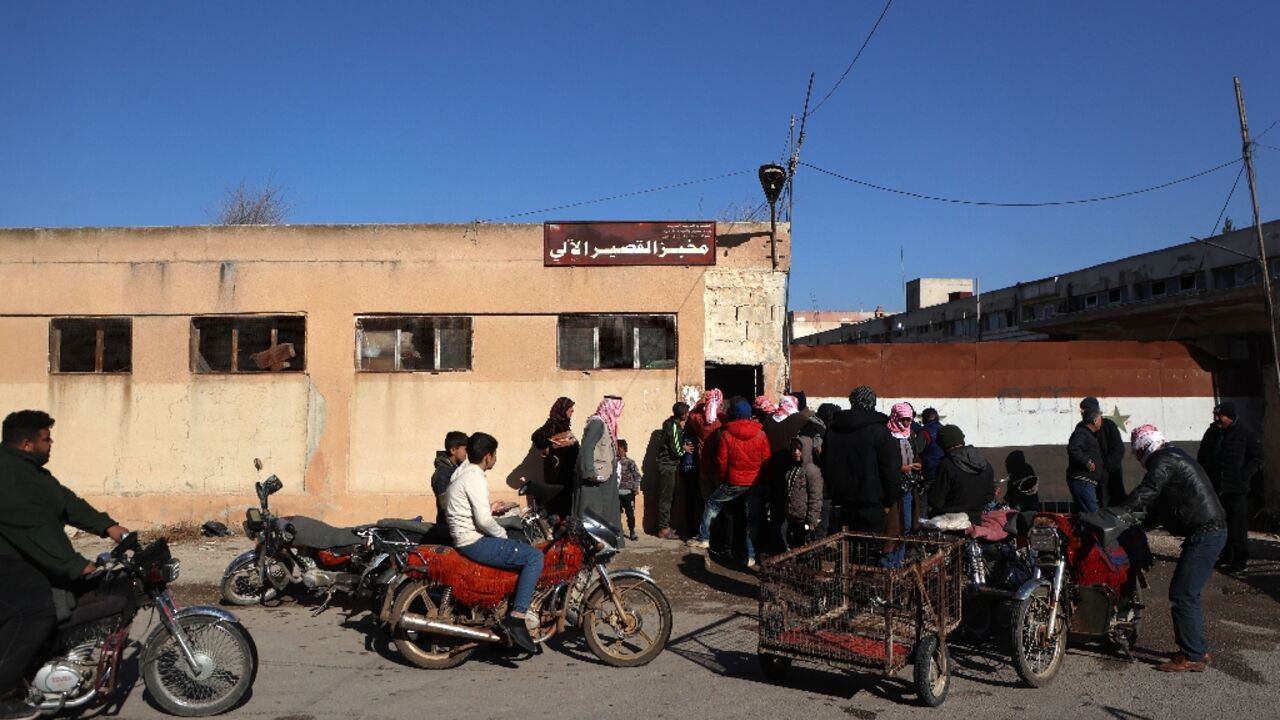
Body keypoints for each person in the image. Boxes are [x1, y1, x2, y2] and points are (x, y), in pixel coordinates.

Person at [0, 410, 130, 720]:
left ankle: (41, 666)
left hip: (19, 557)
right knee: (35, 612)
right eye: (46, 438)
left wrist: (109, 527)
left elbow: (66, 502)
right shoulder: (8, 474)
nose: (51, 443)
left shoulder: (31, 472)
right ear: (28, 444)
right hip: (6, 561)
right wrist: (74, 565)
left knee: (75, 598)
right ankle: (4, 694)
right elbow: (32, 529)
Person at [1118, 424, 1227, 672]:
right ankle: (1196, 649)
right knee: (1188, 592)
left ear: (1144, 447)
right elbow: (1158, 509)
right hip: (1209, 531)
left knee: (1183, 592)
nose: (1138, 459)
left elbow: (1149, 491)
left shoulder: (1164, 460)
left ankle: (1193, 655)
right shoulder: (1173, 456)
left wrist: (1120, 513)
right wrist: (1137, 524)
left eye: (1137, 453)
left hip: (1206, 532)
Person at [443, 432, 542, 654]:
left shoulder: (463, 471)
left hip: (465, 537)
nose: (495, 458)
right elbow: (484, 521)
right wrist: (503, 536)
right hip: (473, 541)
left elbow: (472, 510)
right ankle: (517, 618)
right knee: (534, 557)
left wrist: (491, 509)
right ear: (488, 456)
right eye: (495, 454)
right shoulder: (475, 476)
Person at [686, 399, 772, 568]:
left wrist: (724, 479)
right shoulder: (761, 434)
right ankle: (751, 556)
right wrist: (765, 481)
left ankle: (704, 538)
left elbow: (721, 462)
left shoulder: (726, 434)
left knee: (712, 503)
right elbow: (766, 461)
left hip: (733, 482)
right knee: (750, 519)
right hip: (754, 483)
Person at [820, 385, 900, 535]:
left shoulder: (834, 429)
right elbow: (891, 469)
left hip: (842, 501)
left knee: (847, 549)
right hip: (873, 502)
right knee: (869, 550)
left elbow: (826, 465)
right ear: (873, 403)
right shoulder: (880, 431)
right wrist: (890, 500)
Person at [1196, 402, 1264, 573]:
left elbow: (1258, 459)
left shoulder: (1246, 433)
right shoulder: (1213, 432)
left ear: (1230, 416)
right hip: (1216, 487)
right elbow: (1203, 453)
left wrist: (1244, 475)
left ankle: (1240, 560)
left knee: (1238, 525)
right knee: (1221, 523)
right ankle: (1226, 555)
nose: (1216, 418)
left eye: (1220, 415)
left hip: (1236, 488)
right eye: (1215, 414)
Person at [575, 395, 624, 541]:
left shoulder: (607, 424)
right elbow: (586, 448)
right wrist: (589, 471)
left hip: (606, 475)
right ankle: (591, 545)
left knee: (606, 511)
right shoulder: (597, 423)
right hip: (596, 477)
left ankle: (607, 543)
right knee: (593, 512)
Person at [927, 425, 994, 525]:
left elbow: (936, 501)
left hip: (950, 522)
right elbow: (989, 496)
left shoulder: (947, 464)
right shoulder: (984, 462)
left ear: (943, 444)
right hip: (977, 520)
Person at [530, 397, 578, 520]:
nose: (572, 410)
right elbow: (536, 436)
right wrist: (546, 448)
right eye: (569, 408)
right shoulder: (553, 424)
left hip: (566, 473)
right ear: (562, 409)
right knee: (559, 507)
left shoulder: (563, 425)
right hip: (557, 475)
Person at [887, 402, 926, 544]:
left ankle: (904, 548)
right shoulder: (888, 436)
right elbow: (885, 460)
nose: (906, 422)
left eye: (908, 419)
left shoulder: (911, 435)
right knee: (895, 522)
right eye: (903, 419)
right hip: (893, 485)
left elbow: (916, 454)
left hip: (909, 484)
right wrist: (900, 467)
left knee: (908, 520)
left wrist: (918, 464)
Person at [655, 402, 691, 540]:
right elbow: (676, 451)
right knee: (666, 498)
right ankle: (663, 528)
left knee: (669, 497)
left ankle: (665, 526)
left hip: (668, 465)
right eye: (686, 413)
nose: (687, 415)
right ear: (682, 415)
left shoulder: (669, 424)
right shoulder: (673, 427)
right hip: (668, 465)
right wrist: (684, 449)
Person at [779, 436, 823, 549]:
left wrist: (812, 519)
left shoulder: (812, 471)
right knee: (793, 545)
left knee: (804, 548)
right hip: (792, 516)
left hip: (805, 518)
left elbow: (815, 497)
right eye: (794, 449)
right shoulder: (792, 468)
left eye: (799, 449)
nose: (796, 452)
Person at [1081, 397, 1126, 505]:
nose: (1083, 413)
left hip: (1111, 474)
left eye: (1085, 410)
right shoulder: (1082, 428)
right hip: (1092, 476)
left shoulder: (1109, 426)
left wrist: (1105, 468)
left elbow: (1118, 449)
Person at [1067, 408, 1106, 513]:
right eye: (1100, 419)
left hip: (1087, 482)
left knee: (1086, 516)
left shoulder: (1089, 434)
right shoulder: (1082, 433)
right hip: (1083, 482)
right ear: (1094, 421)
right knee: (1092, 516)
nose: (1101, 421)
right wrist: (1086, 462)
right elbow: (1073, 448)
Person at [432, 431, 469, 529]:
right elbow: (446, 506)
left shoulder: (458, 470)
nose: (467, 453)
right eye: (465, 449)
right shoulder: (442, 475)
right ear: (453, 450)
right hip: (450, 528)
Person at [617, 439, 642, 542]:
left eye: (620, 449)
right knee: (616, 514)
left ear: (624, 449)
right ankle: (618, 532)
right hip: (616, 494)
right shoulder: (613, 462)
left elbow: (637, 475)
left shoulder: (630, 462)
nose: (618, 451)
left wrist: (635, 487)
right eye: (617, 449)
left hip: (628, 493)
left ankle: (632, 532)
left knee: (630, 514)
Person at [918, 407, 945, 488]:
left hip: (930, 469)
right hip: (945, 468)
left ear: (924, 419)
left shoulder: (924, 432)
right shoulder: (945, 429)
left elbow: (918, 450)